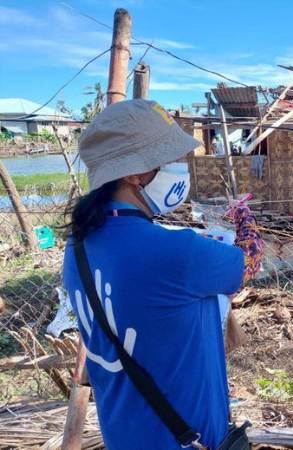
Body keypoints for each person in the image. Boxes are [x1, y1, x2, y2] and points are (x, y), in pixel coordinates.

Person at [62, 99, 263, 450]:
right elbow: (248, 262)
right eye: (169, 160)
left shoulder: (76, 249)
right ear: (135, 173)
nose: (178, 169)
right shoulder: (177, 252)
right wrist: (246, 220)